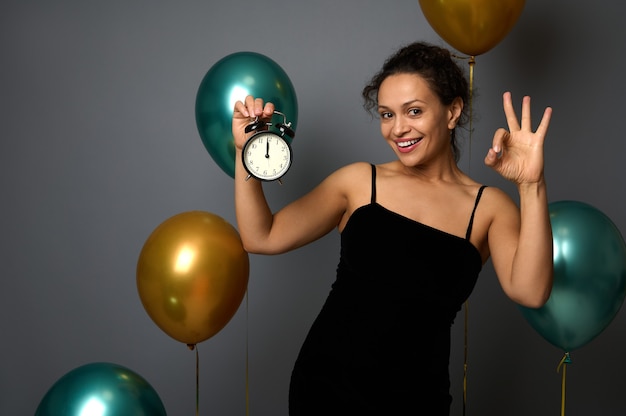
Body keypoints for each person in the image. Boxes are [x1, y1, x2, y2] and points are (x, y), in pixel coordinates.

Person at [231, 42, 553, 415]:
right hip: (326, 391)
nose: (398, 129)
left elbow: (531, 292)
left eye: (414, 111)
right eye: (386, 114)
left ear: (452, 111)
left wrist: (532, 186)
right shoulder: (358, 182)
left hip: (418, 401)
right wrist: (246, 152)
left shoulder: (489, 207)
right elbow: (261, 236)